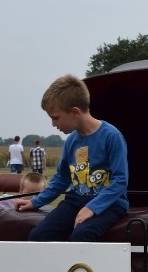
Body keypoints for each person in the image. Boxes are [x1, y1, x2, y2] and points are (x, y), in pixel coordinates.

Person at [15, 74, 129, 242]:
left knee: (81, 235)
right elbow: (62, 178)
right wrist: (36, 202)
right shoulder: (71, 141)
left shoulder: (112, 136)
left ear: (75, 112)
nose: (53, 124)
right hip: (76, 200)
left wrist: (92, 208)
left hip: (110, 203)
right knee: (38, 236)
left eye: (55, 117)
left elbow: (120, 180)